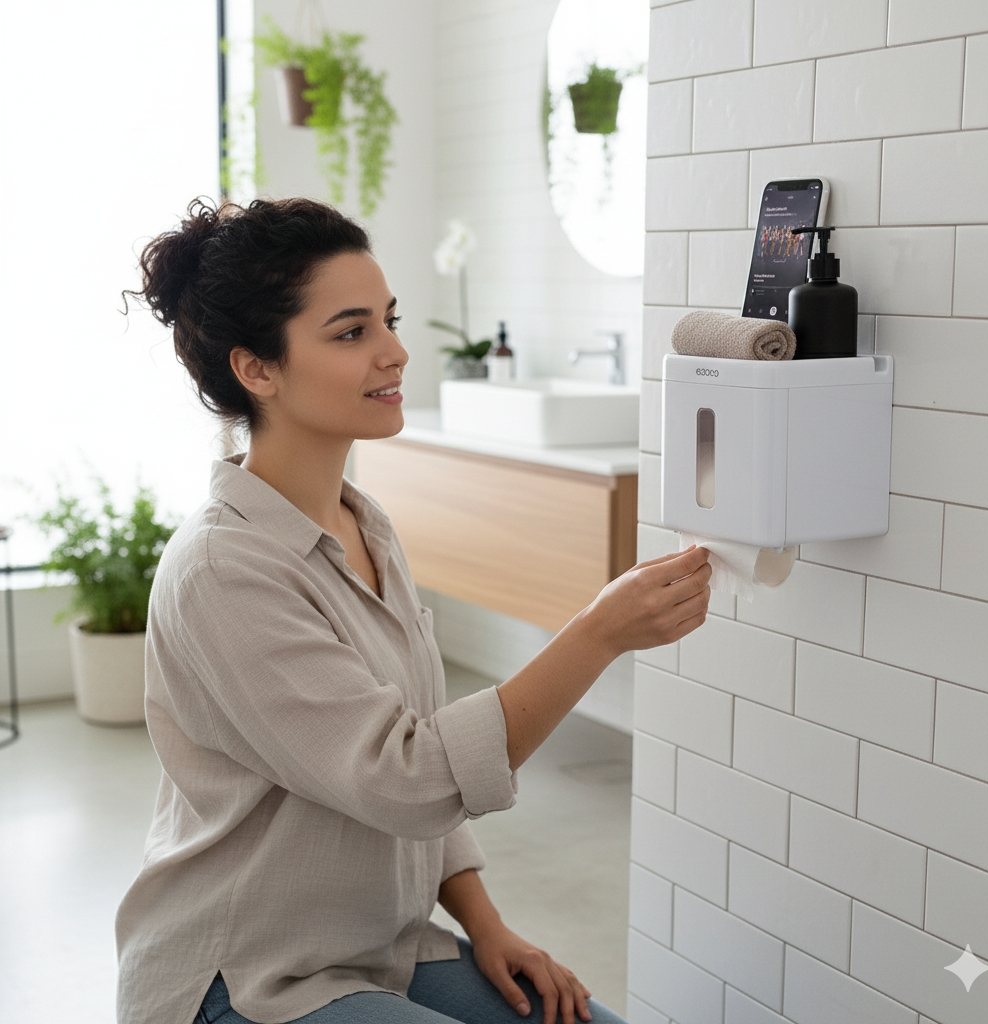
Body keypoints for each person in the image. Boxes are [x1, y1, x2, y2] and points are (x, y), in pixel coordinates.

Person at [116, 197, 711, 1024]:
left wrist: (486, 924)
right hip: (249, 976)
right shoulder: (224, 570)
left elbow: (414, 734)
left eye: (387, 322)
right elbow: (411, 778)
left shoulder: (364, 524)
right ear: (257, 368)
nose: (395, 352)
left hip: (385, 945)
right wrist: (600, 632)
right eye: (351, 332)